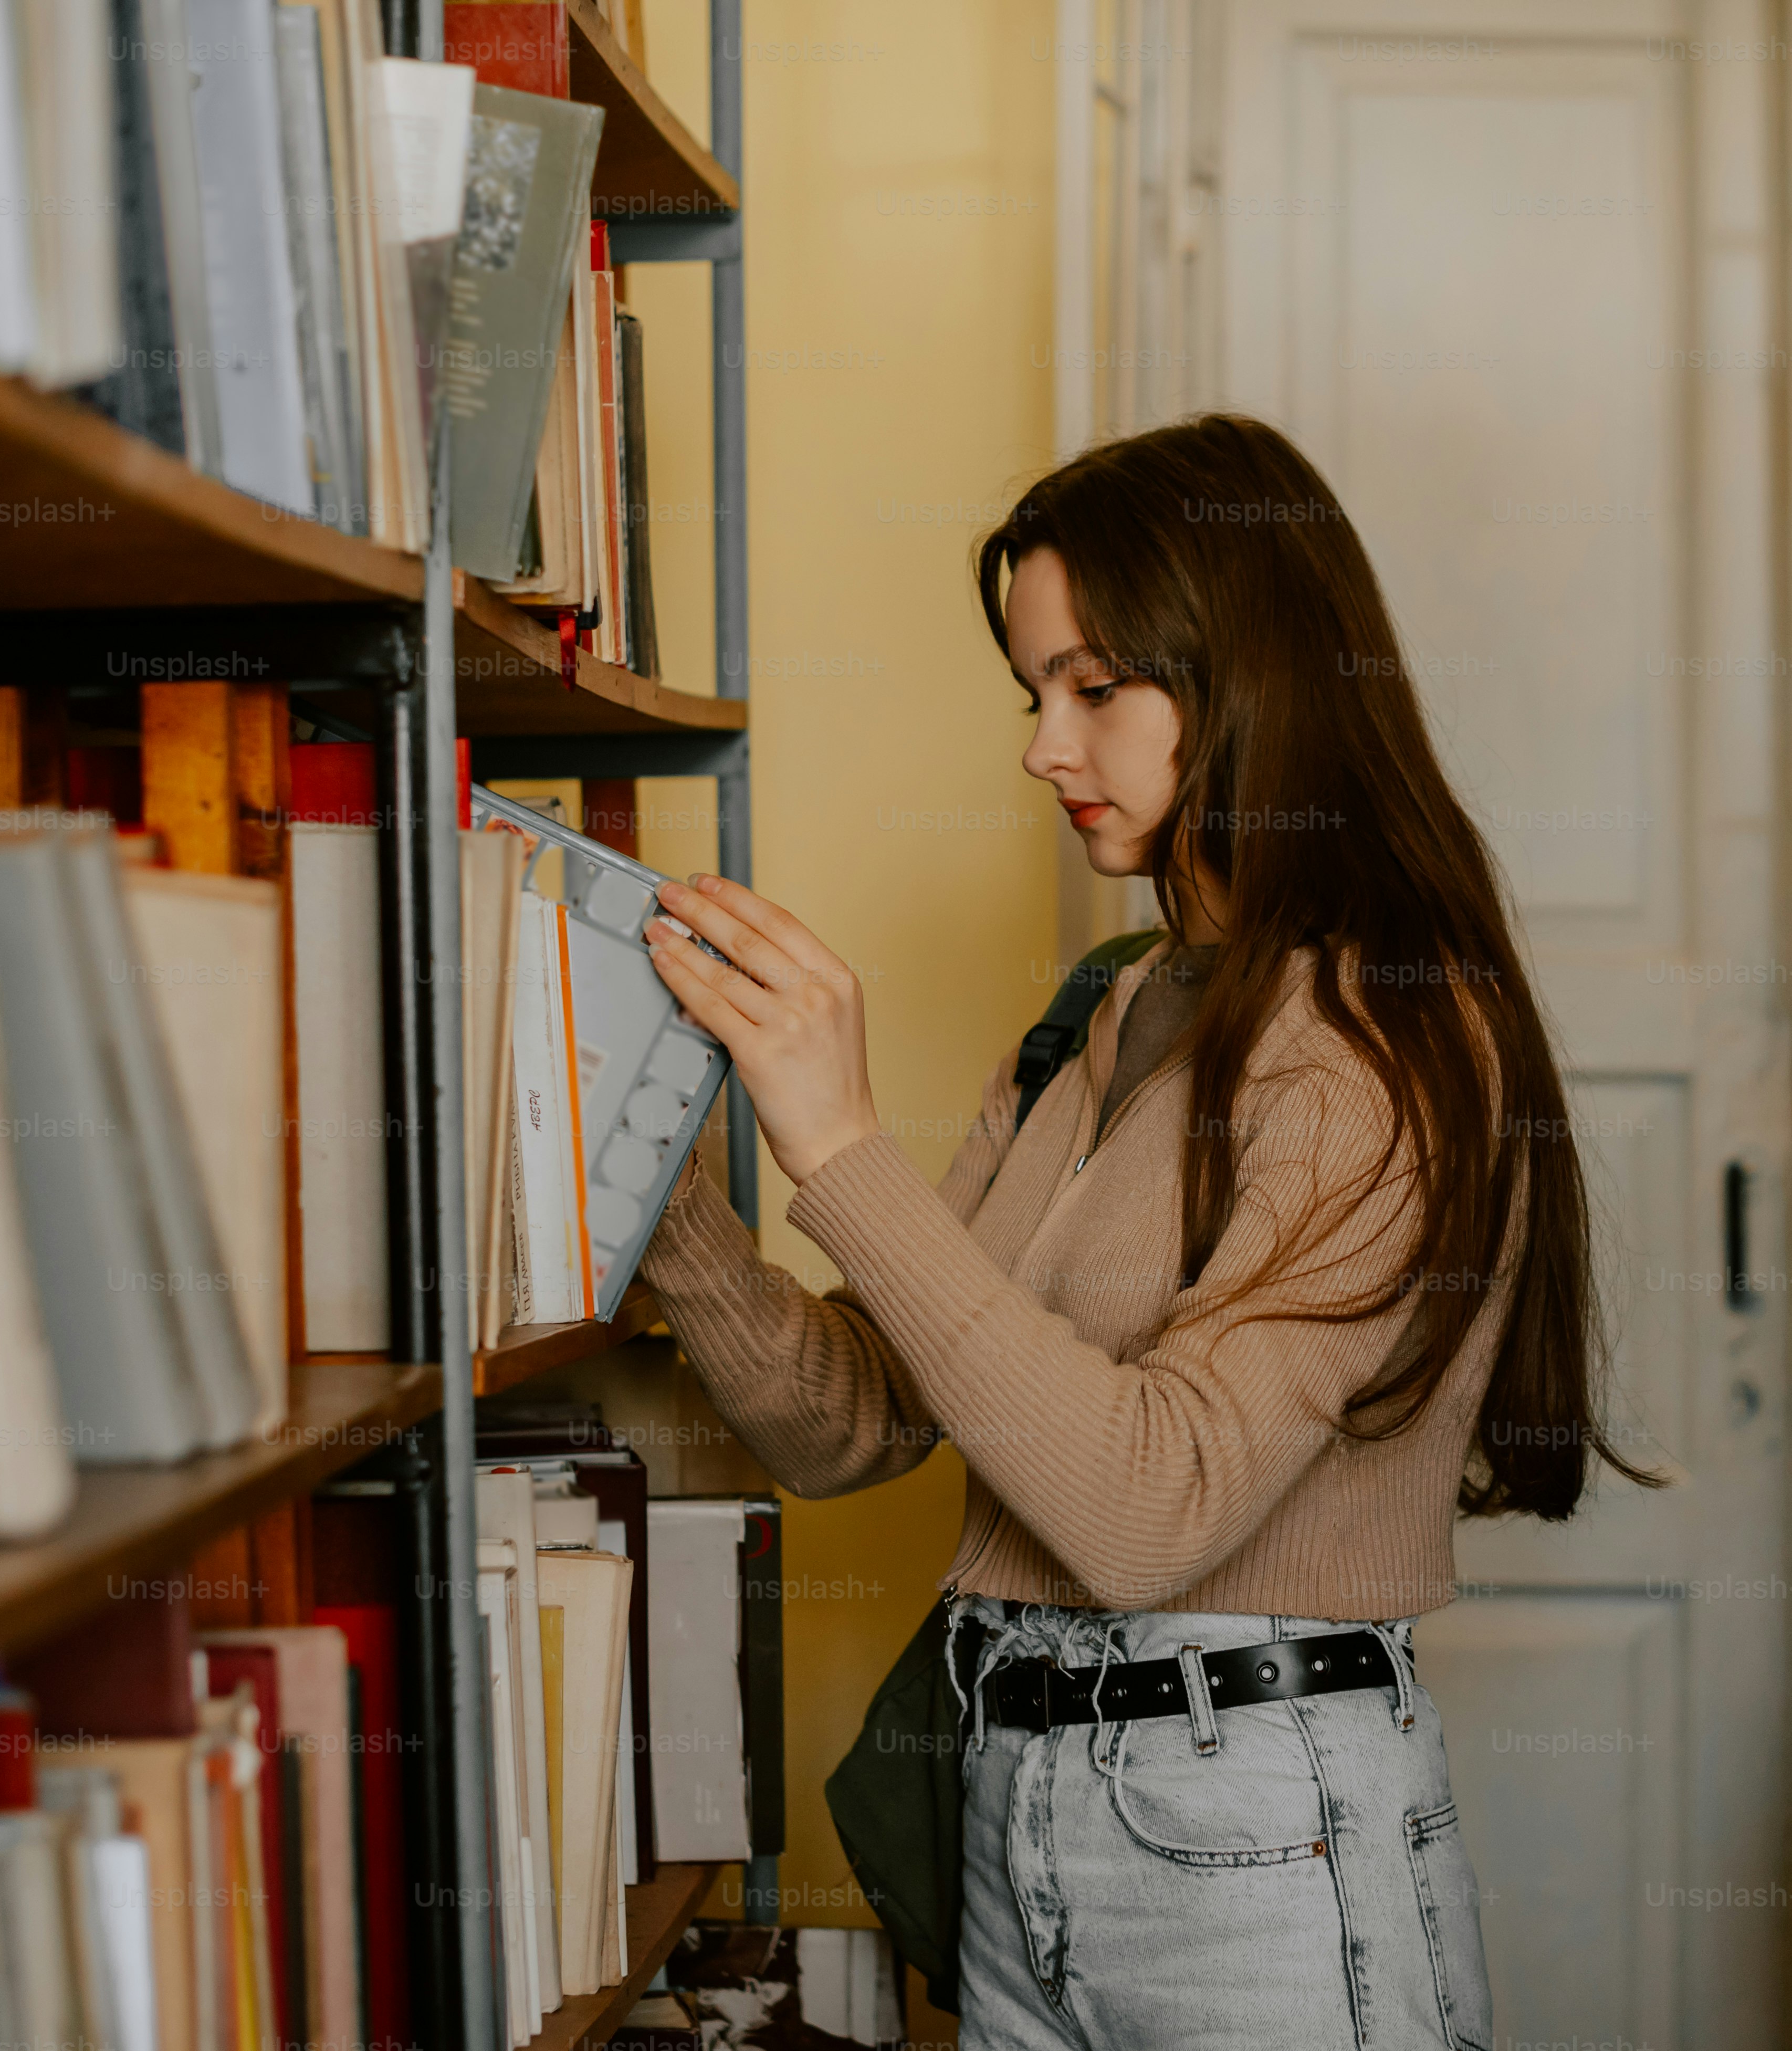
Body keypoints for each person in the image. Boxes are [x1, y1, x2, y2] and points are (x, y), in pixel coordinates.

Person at [634, 413, 1644, 2049]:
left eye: (1094, 688)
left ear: (1254, 675)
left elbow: (1143, 1511)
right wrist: (655, 1186)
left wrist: (833, 1138)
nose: (1045, 745)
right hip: (1019, 1811)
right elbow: (851, 1420)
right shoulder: (1107, 1014)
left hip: (1258, 1837)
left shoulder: (1387, 1041)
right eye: (1035, 693)